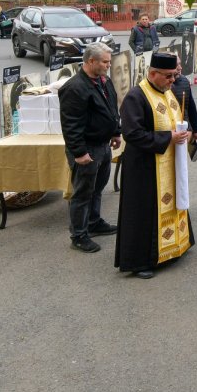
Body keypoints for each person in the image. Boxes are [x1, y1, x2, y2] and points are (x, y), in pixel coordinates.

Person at [114, 51, 194, 278]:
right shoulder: (136, 97)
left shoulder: (168, 92)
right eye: (168, 76)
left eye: (174, 75)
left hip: (169, 163)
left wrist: (187, 131)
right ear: (152, 74)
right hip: (144, 168)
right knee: (144, 213)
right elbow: (132, 134)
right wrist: (169, 137)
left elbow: (178, 119)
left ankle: (175, 245)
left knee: (172, 202)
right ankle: (141, 261)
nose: (173, 80)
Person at [58, 42, 122, 252]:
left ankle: (94, 223)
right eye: (105, 62)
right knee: (83, 193)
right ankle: (78, 235)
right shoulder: (74, 88)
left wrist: (116, 131)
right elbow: (71, 124)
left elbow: (112, 108)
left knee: (97, 188)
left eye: (109, 61)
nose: (108, 65)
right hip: (87, 149)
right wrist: (79, 152)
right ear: (91, 61)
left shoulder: (103, 80)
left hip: (102, 145)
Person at [169, 58, 197, 144]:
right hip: (168, 135)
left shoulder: (184, 81)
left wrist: (196, 130)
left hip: (185, 130)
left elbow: (191, 107)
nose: (180, 68)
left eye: (180, 64)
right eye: (176, 65)